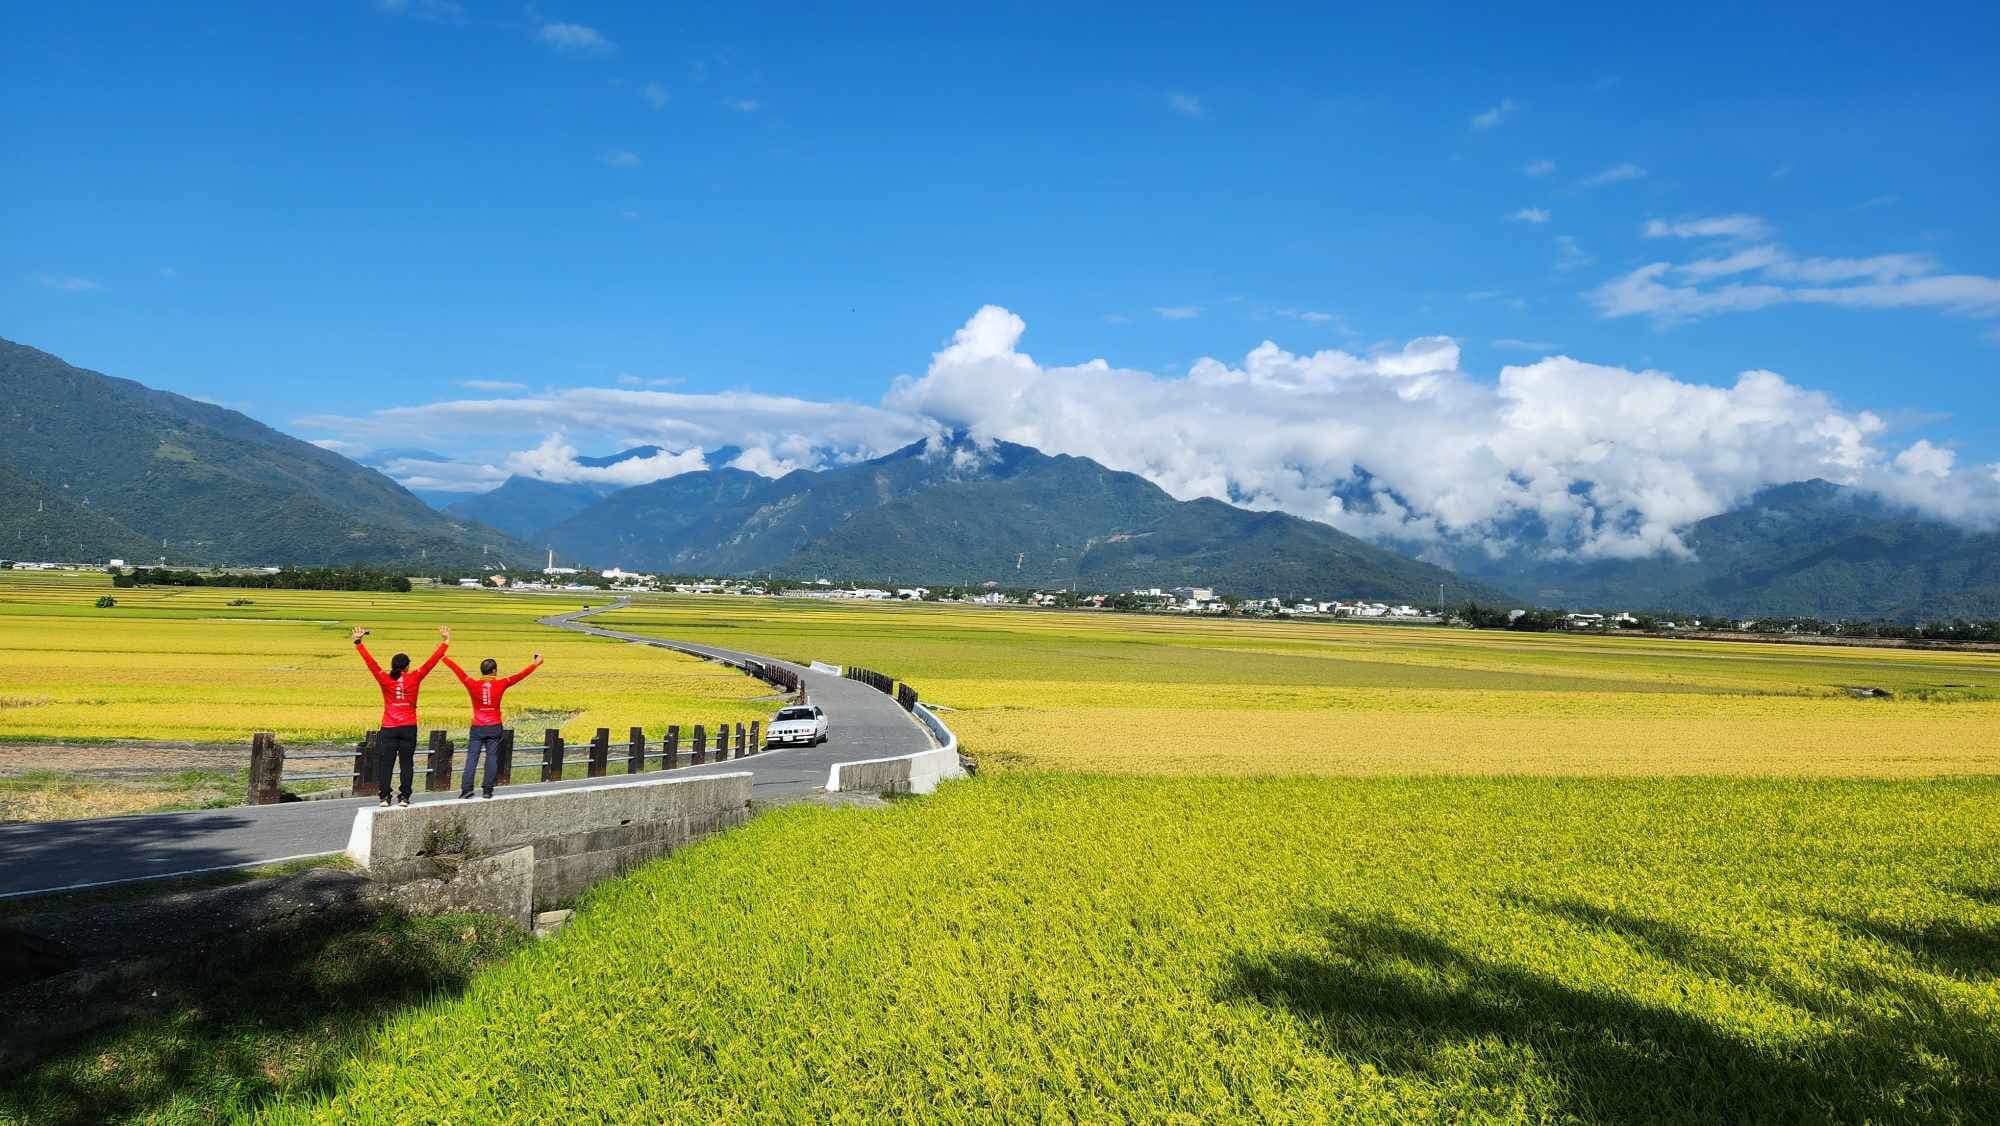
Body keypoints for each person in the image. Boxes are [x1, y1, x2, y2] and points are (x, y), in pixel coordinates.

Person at [352, 625, 450, 808]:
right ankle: (404, 797)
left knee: (386, 763)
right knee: (407, 763)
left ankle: (384, 798)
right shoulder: (415, 677)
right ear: (407, 666)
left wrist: (359, 643)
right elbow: (431, 662)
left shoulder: (384, 678)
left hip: (389, 727)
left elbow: (371, 664)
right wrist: (445, 641)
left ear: (393, 666)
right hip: (408, 727)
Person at [440, 649, 543, 799]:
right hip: (494, 726)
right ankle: (487, 790)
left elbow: (458, 671)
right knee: (492, 757)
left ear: (482, 671)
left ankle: (466, 789)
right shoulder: (502, 683)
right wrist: (535, 664)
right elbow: (520, 676)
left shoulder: (472, 683)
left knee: (472, 757)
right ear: (494, 671)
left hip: (477, 727)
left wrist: (443, 657)